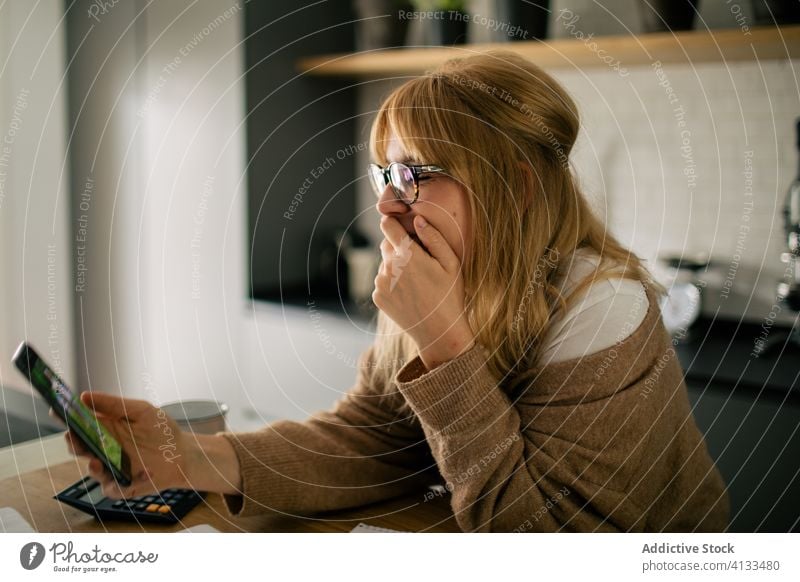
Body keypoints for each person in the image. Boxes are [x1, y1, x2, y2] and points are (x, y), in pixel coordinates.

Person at [66, 51, 728, 532]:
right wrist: (188, 458)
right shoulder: (442, 275)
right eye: (384, 170)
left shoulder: (602, 311)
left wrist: (443, 339)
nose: (385, 200)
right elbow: (374, 438)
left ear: (518, 188)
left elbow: (537, 539)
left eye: (414, 172)